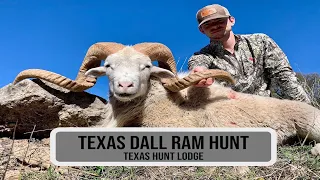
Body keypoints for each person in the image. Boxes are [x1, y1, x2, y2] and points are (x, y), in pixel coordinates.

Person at [188, 4, 311, 104]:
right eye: (207, 24)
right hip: (231, 116)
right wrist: (199, 73)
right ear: (201, 30)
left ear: (232, 20)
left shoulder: (261, 41)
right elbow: (198, 66)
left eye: (219, 20)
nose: (214, 26)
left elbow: (284, 76)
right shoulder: (201, 56)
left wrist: (307, 111)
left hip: (269, 108)